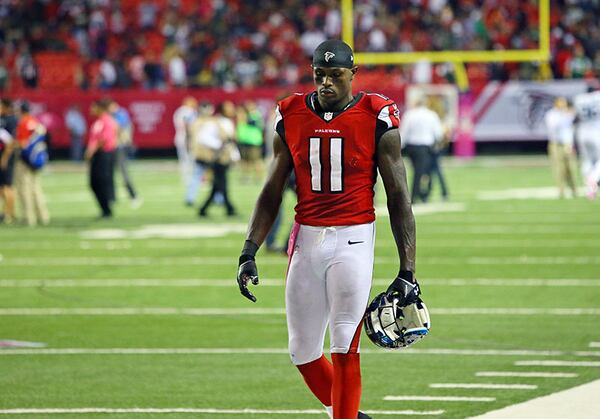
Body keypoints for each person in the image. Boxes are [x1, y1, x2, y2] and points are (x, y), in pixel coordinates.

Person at [236, 40, 418, 419]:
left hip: (353, 237)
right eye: (320, 75)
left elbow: (398, 197)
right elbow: (271, 192)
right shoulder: (290, 113)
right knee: (302, 352)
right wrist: (249, 249)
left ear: (353, 73)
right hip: (305, 238)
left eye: (336, 75)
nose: (326, 83)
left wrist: (408, 271)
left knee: (344, 346)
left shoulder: (376, 114)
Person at [198, 101, 238, 217]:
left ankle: (203, 209)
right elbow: (203, 137)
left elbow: (230, 142)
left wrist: (235, 155)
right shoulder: (215, 122)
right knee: (222, 183)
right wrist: (218, 144)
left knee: (217, 185)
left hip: (225, 158)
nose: (232, 109)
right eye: (229, 107)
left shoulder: (228, 122)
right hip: (217, 158)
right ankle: (229, 208)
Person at [400, 96, 443, 203]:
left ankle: (417, 194)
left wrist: (400, 147)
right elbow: (438, 133)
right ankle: (420, 195)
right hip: (426, 147)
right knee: (423, 172)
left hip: (411, 146)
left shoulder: (410, 114)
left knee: (417, 171)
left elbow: (404, 132)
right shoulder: (431, 115)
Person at [13, 101, 49, 226]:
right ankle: (43, 216)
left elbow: (23, 143)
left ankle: (29, 218)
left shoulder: (23, 123)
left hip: (24, 161)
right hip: (37, 160)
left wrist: (12, 144)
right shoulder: (36, 122)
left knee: (24, 190)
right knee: (36, 189)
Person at [85, 98, 117, 218]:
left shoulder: (106, 121)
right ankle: (105, 208)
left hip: (103, 154)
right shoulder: (99, 121)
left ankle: (107, 209)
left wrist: (91, 150)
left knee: (100, 182)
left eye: (93, 107)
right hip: (99, 154)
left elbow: (104, 140)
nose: (91, 109)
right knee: (94, 183)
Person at [544, 97, 577, 199]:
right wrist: (564, 115)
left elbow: (570, 129)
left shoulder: (568, 114)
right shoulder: (551, 114)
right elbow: (554, 127)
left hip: (567, 144)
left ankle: (573, 189)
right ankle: (561, 190)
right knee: (559, 168)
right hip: (556, 144)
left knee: (570, 168)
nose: (563, 105)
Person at [109, 101, 141, 208]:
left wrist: (127, 141)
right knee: (109, 174)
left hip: (119, 147)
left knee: (123, 173)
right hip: (110, 148)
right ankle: (112, 198)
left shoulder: (120, 114)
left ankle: (133, 195)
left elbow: (123, 129)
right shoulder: (110, 116)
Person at [573, 87, 600, 199]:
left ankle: (590, 190)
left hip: (582, 132)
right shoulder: (597, 97)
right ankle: (593, 178)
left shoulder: (579, 99)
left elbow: (576, 118)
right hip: (596, 131)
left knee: (587, 160)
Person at [173, 96, 198, 206]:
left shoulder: (178, 111)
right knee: (191, 161)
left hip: (179, 137)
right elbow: (190, 126)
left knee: (183, 160)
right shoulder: (189, 112)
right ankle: (190, 180)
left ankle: (185, 179)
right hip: (187, 139)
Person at [236, 100, 265, 183]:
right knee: (245, 161)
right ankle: (246, 177)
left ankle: (259, 178)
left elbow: (255, 123)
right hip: (245, 141)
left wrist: (244, 118)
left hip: (254, 142)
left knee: (256, 160)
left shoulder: (256, 115)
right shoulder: (246, 115)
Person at [0, 98, 17, 224]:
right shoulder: (5, 120)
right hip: (4, 157)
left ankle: (8, 214)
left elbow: (10, 142)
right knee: (3, 187)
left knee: (7, 186)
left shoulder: (10, 121)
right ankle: (8, 212)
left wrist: (4, 159)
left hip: (6, 158)